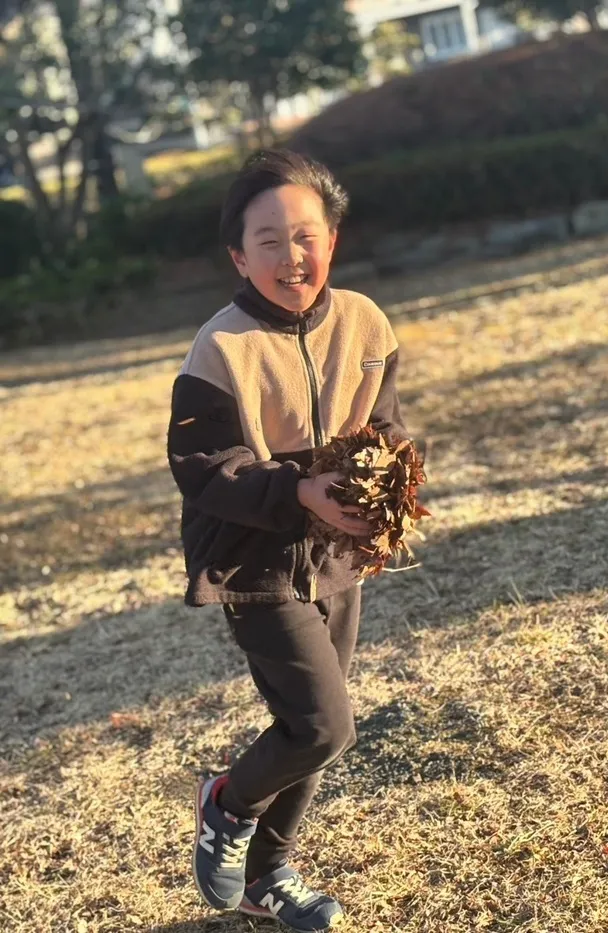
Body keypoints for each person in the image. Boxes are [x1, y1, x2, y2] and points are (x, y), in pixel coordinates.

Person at [167, 149, 409, 932]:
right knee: (323, 723)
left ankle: (265, 875)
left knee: (316, 725)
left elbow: (389, 431)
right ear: (239, 256)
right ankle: (225, 802)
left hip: (336, 555)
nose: (289, 255)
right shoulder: (219, 349)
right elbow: (207, 469)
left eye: (305, 235)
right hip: (252, 558)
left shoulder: (367, 323)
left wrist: (388, 495)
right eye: (267, 240)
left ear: (332, 240)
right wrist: (298, 489)